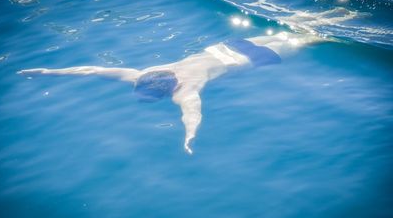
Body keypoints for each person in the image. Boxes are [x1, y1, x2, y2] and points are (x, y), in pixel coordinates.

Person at [18, 31, 326, 154]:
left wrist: (188, 138)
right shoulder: (140, 75)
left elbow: (192, 114)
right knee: (297, 29)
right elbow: (92, 70)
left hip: (249, 60)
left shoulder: (185, 90)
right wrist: (47, 71)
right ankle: (335, 16)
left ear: (167, 91)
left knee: (314, 40)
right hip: (228, 47)